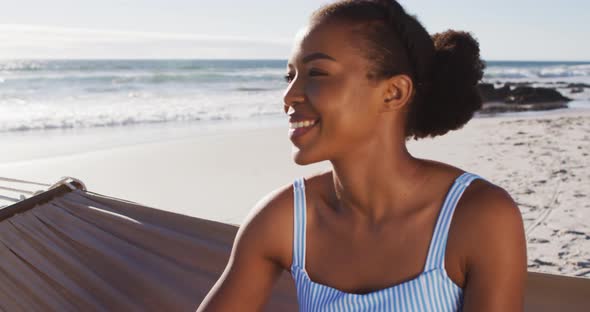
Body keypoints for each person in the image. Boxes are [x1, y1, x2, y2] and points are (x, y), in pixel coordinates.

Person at [198, 0, 527, 311]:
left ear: (393, 92)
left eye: (316, 73)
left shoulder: (479, 217)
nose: (288, 96)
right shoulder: (284, 220)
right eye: (289, 76)